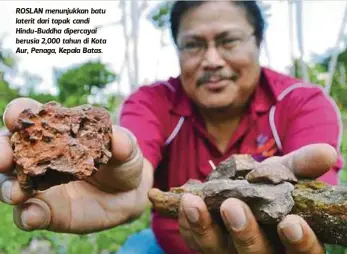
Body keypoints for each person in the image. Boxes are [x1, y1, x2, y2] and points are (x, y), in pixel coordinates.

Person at [0, 1, 344, 254]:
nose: (211, 60)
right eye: (194, 44)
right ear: (178, 49)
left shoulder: (302, 102)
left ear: (258, 42)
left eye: (229, 41)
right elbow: (135, 170)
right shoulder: (153, 102)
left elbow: (315, 202)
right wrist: (124, 188)